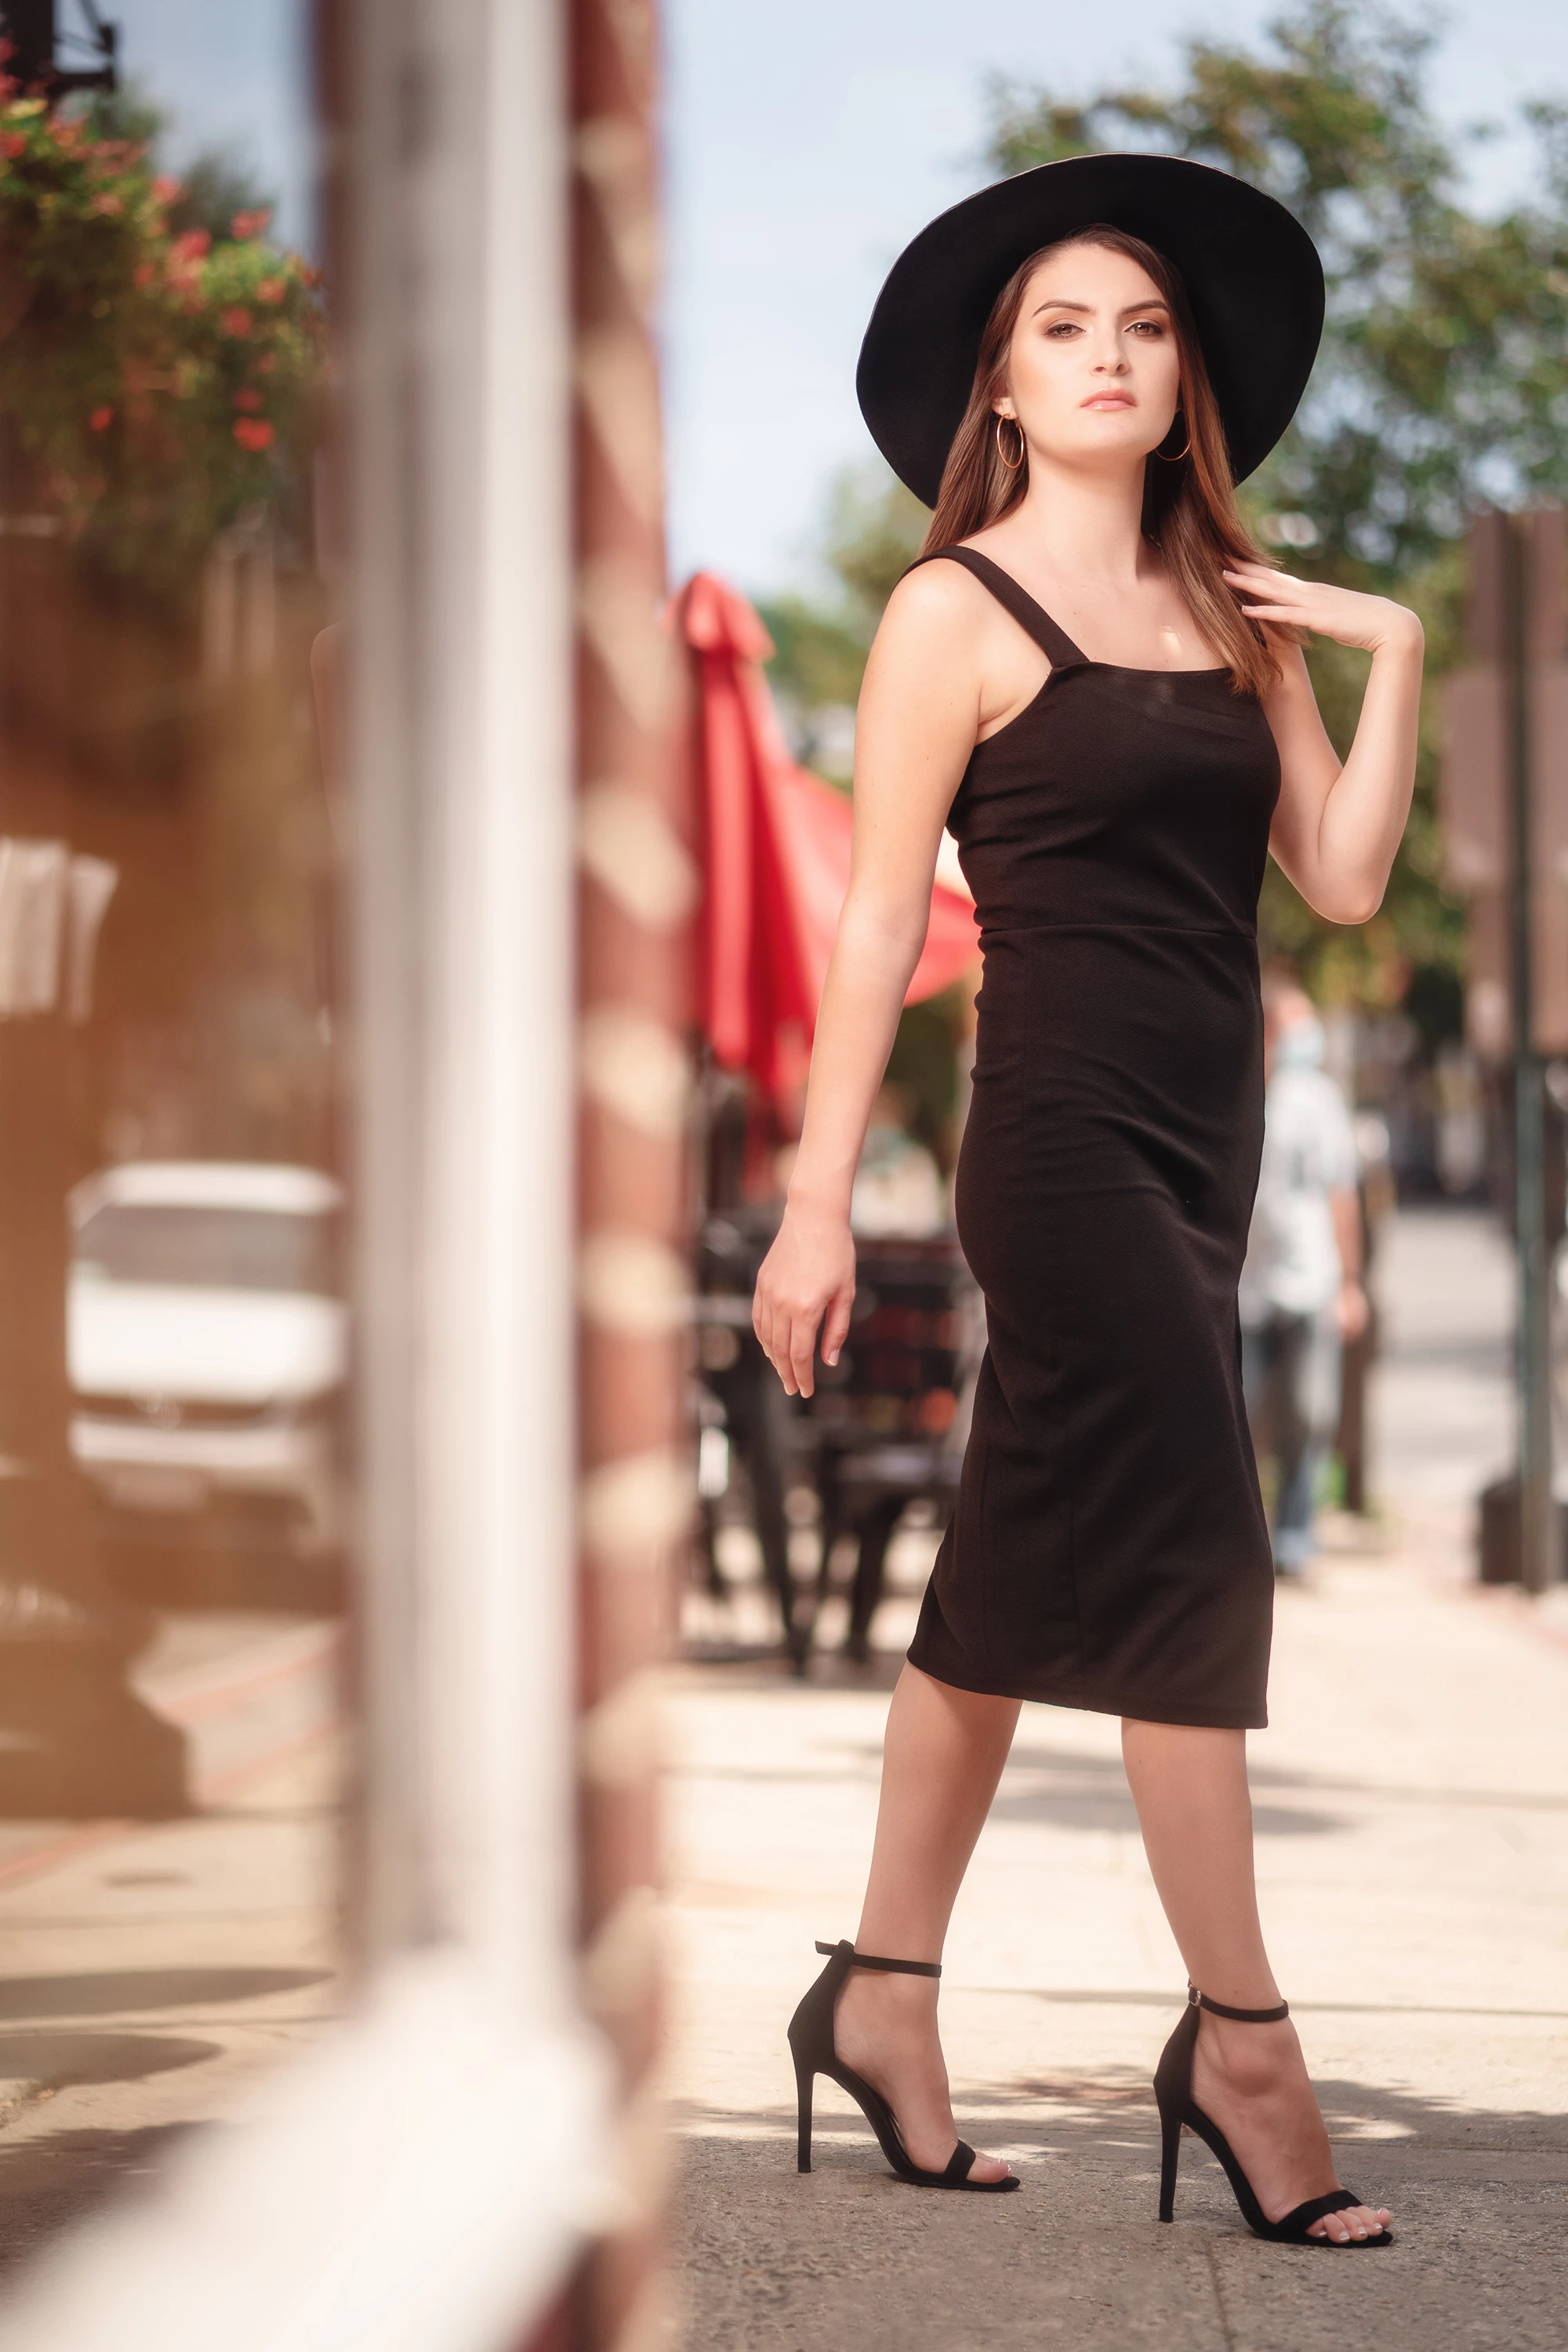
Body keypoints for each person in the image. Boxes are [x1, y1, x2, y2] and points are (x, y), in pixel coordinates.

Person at [753, 154, 1421, 2245]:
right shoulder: (952, 609)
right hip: (1053, 1146)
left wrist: (1387, 645)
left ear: (1183, 376)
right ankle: (1244, 2045)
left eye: (1143, 327)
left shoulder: (1242, 609)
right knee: (1197, 1559)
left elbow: (1340, 880)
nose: (1111, 356)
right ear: (1006, 383)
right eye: (1068, 327)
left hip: (1205, 1153)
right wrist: (809, 1205)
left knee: (1012, 1585)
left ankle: (881, 1996)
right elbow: (874, 935)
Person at [1240, 978, 1368, 1573]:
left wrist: (1349, 1282)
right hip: (1246, 1288)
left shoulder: (1319, 1099)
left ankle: (1295, 1533)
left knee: (1309, 1415)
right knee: (1239, 1415)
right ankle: (1243, 1535)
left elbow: (1342, 1194)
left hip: (1311, 1280)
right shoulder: (1237, 1089)